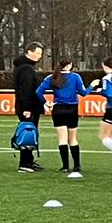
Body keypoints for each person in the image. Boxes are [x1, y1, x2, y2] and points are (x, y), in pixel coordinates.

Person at [38, 58, 87, 179]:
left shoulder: (52, 77)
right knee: (73, 139)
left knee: (62, 139)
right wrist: (92, 86)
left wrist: (46, 102)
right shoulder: (75, 77)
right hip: (72, 109)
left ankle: (65, 166)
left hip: (58, 109)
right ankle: (76, 166)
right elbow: (84, 93)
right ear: (70, 65)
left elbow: (38, 92)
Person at [12, 42, 45, 173]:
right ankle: (25, 163)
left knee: (30, 132)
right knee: (28, 133)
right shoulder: (26, 69)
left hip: (30, 107)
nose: (39, 56)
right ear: (29, 52)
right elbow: (25, 90)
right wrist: (27, 108)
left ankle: (29, 160)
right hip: (28, 108)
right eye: (37, 53)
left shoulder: (25, 67)